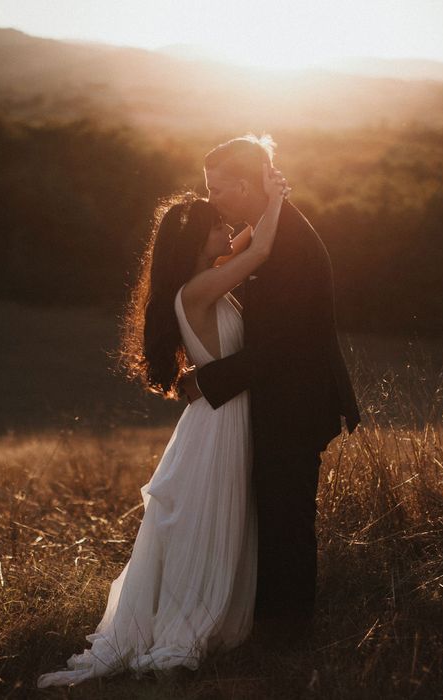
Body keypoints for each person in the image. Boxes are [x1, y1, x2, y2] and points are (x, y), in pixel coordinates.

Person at [36, 164, 289, 688]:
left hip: (219, 417)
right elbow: (260, 250)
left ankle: (200, 619)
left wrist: (260, 208)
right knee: (209, 523)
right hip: (220, 424)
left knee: (217, 521)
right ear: (199, 240)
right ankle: (184, 630)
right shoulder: (197, 290)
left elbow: (244, 241)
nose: (227, 230)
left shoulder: (200, 279)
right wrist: (278, 197)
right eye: (217, 225)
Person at [180, 135, 360, 636]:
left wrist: (207, 380)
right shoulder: (267, 230)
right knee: (274, 511)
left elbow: (285, 344)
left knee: (287, 516)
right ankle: (268, 622)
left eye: (216, 190)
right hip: (282, 398)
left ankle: (287, 635)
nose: (209, 199)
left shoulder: (290, 245)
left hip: (298, 403)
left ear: (242, 186)